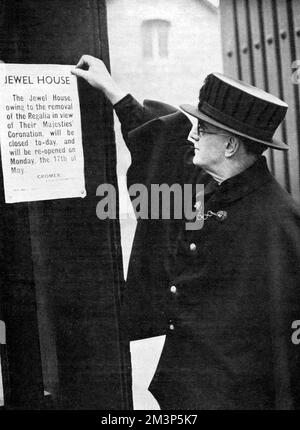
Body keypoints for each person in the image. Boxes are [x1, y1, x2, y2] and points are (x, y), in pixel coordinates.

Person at [72, 55, 300, 410]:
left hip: (235, 397)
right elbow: (160, 147)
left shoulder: (278, 221)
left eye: (203, 129)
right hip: (185, 385)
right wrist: (114, 92)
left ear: (229, 146)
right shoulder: (208, 185)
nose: (193, 134)